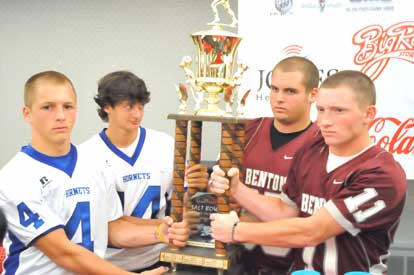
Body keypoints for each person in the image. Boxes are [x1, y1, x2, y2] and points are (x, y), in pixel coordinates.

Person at [209, 70, 407, 274]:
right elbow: (286, 213)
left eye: (339, 111)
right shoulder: (312, 150)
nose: (325, 121)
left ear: (368, 114)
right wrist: (237, 189)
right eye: (321, 110)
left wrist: (236, 231)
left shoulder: (381, 173)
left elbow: (313, 231)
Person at [0, 71, 188, 275]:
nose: (61, 116)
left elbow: (113, 227)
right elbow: (64, 253)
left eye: (68, 106)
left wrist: (161, 230)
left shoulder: (95, 163)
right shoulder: (15, 178)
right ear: (27, 113)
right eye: (48, 107)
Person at [81, 71, 206, 273]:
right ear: (107, 107)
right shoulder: (86, 156)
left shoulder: (165, 145)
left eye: (141, 106)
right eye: (128, 106)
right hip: (110, 266)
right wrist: (162, 228)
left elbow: (183, 205)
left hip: (161, 258)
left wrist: (195, 190)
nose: (137, 114)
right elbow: (108, 227)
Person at [205, 56, 319, 275]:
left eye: (290, 91)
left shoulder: (320, 144)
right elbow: (218, 189)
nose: (278, 98)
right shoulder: (249, 130)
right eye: (274, 89)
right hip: (239, 260)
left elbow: (300, 220)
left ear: (313, 95)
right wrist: (209, 182)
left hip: (291, 264)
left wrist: (238, 195)